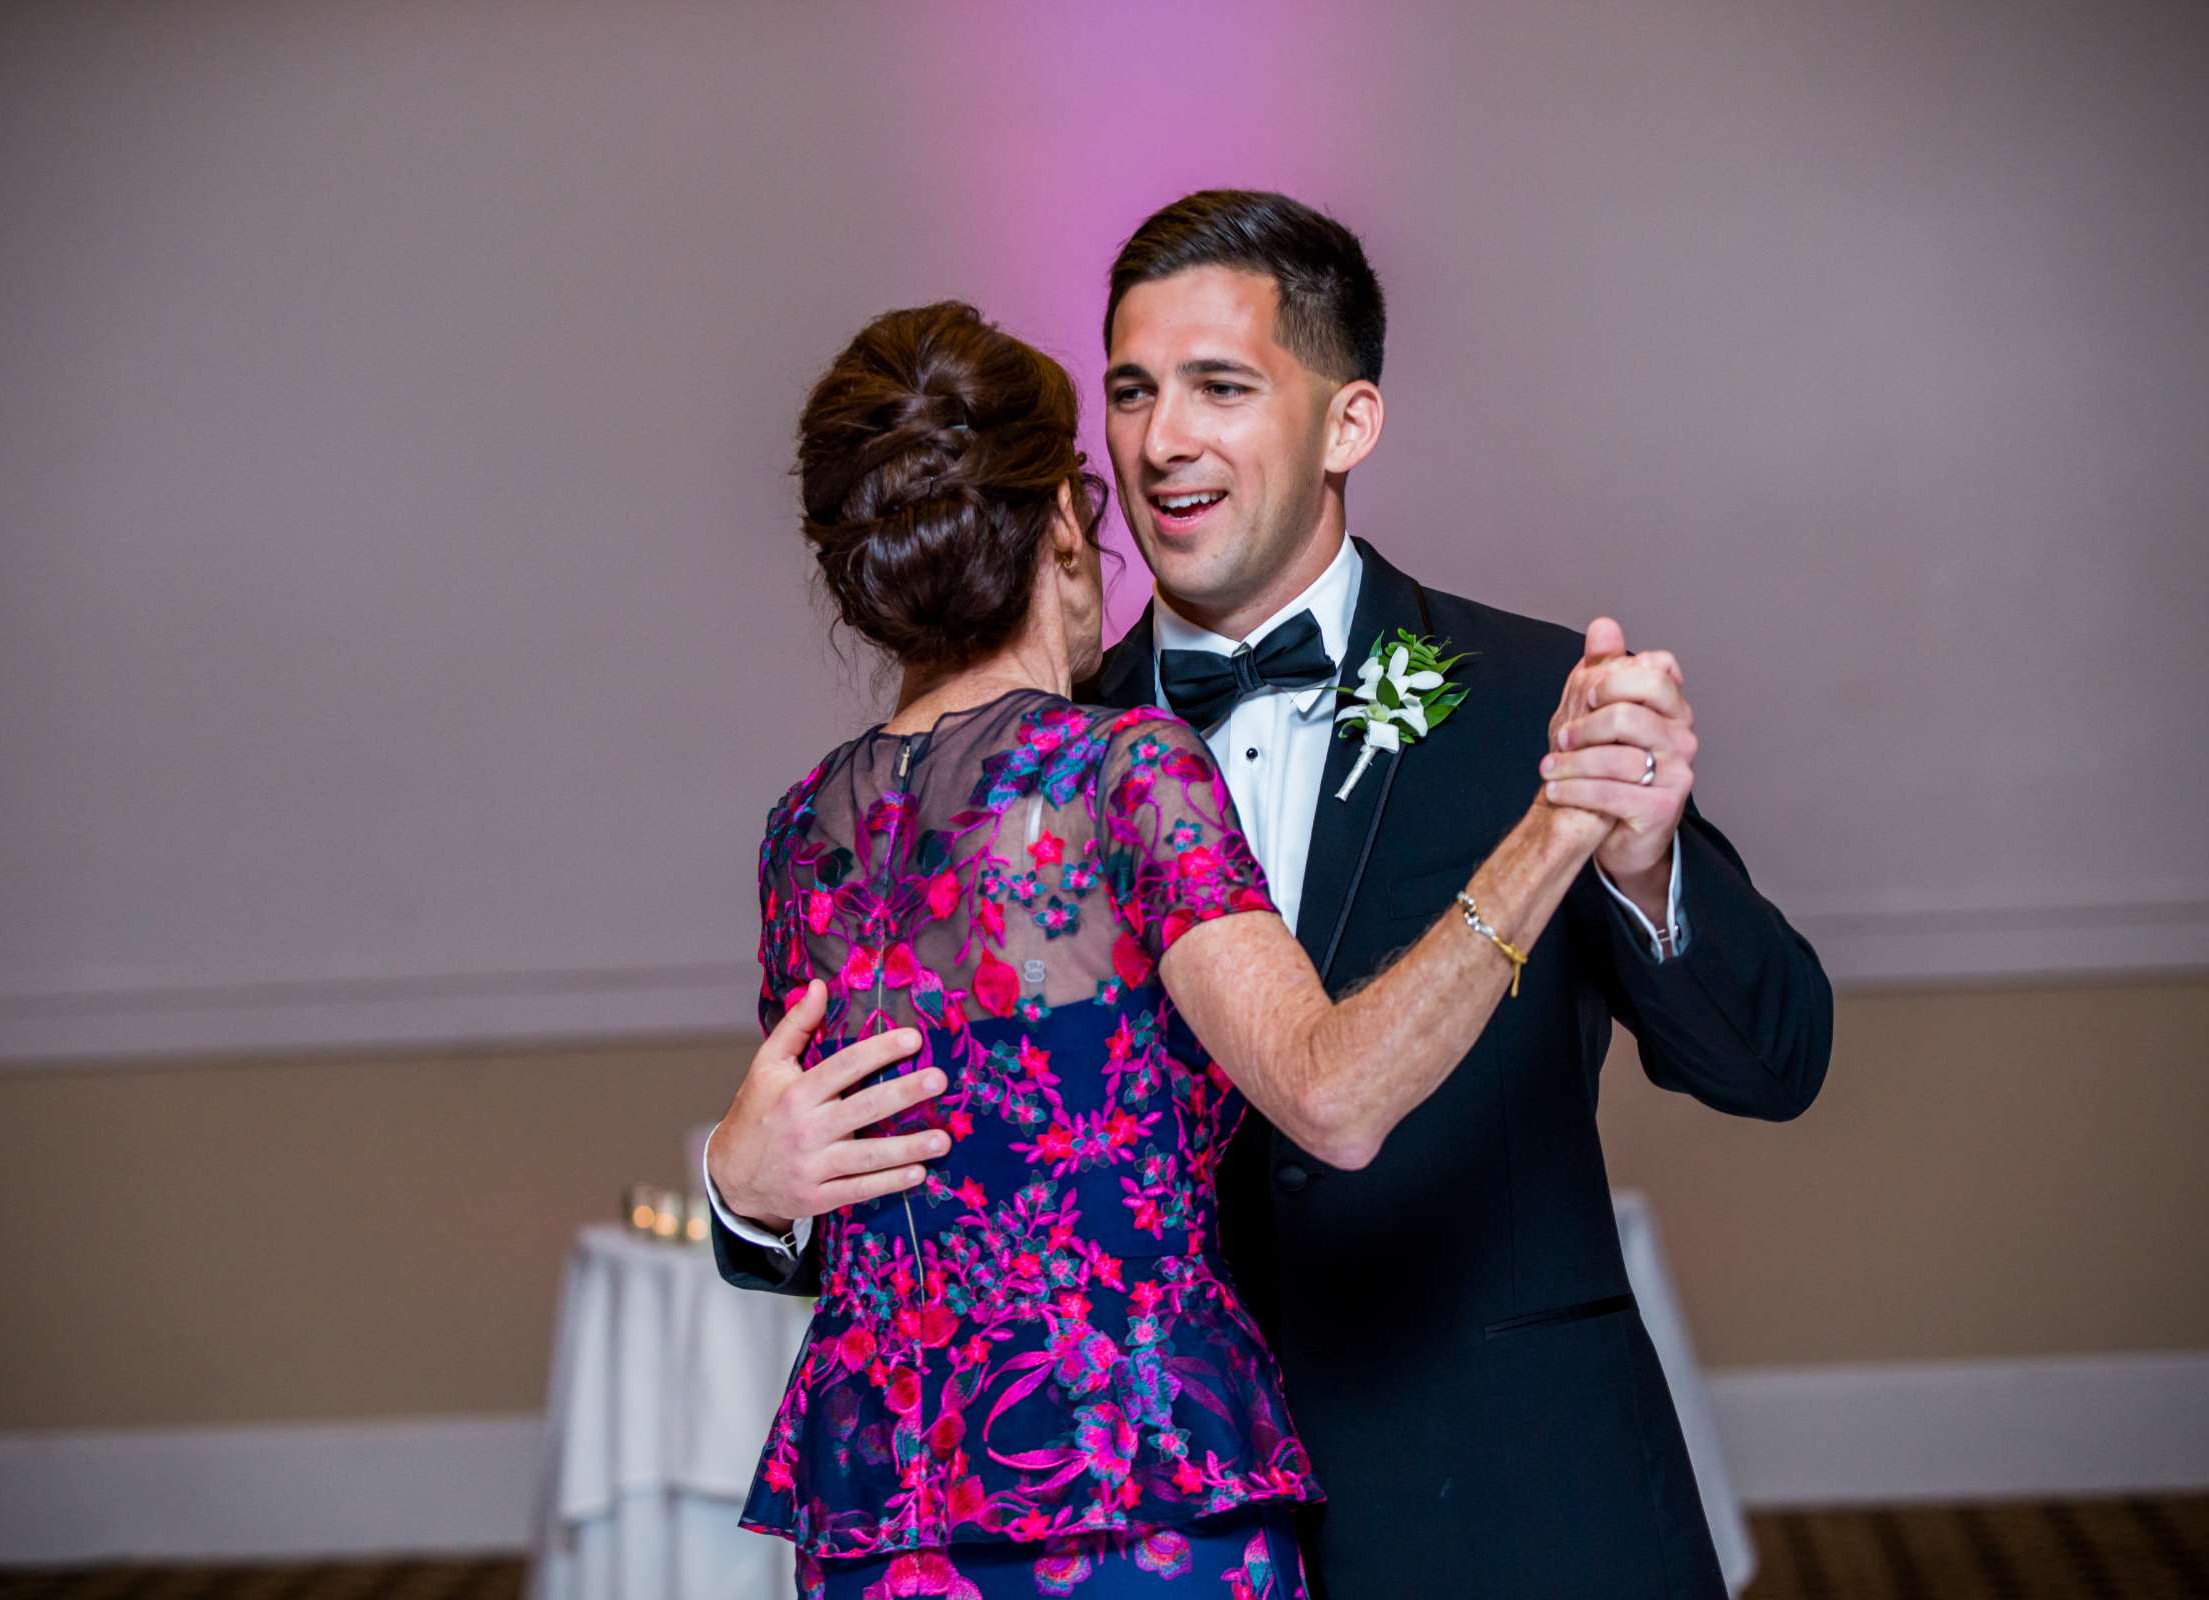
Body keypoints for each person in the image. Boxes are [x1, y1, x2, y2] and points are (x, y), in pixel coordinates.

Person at [712, 192, 1834, 1600]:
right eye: (1129, 392)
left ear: (1348, 424)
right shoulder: (1046, 758)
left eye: (1219, 388)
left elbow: (1776, 1059)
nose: (1162, 439)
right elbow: (936, 1197)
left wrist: (1639, 857)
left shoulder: (1535, 710)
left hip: (1508, 1509)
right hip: (1159, 1512)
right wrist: (745, 1197)